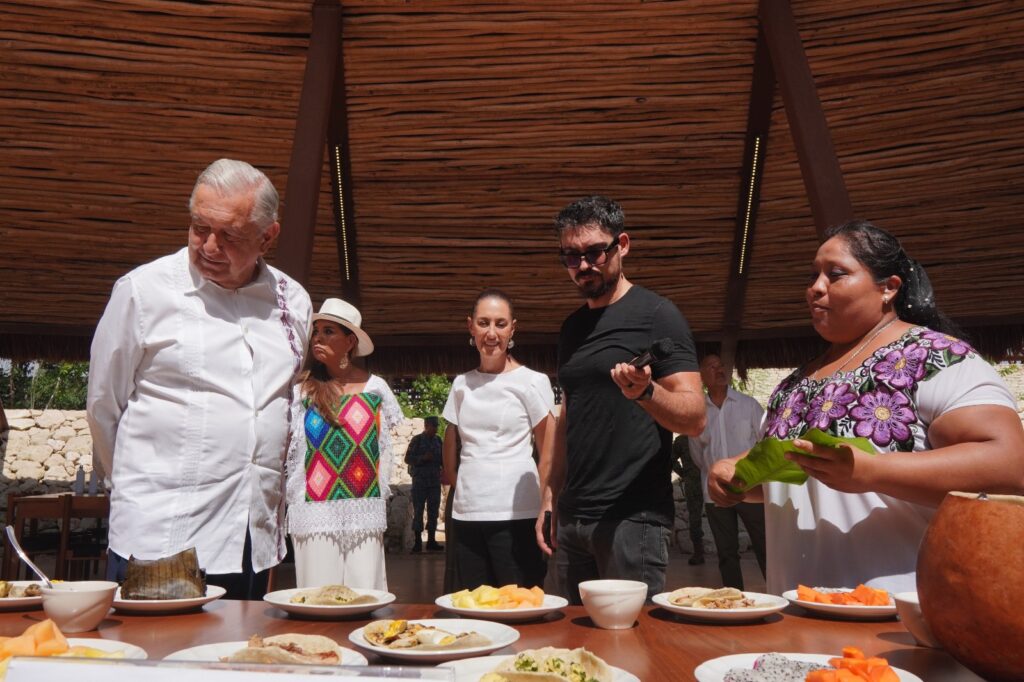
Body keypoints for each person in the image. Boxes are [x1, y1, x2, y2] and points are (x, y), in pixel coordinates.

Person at [708, 219, 1024, 594]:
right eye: (813, 276)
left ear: (888, 288)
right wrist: (737, 474)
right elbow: (800, 474)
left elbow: (1009, 465)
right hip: (797, 621)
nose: (815, 288)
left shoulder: (932, 357)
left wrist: (871, 471)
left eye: (835, 274)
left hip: (898, 620)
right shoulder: (794, 384)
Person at [87, 158, 312, 599]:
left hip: (253, 538)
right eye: (198, 227)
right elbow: (103, 407)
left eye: (229, 235)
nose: (209, 245)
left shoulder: (293, 302)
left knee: (238, 662)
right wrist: (146, 487)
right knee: (158, 664)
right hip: (163, 537)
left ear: (268, 236)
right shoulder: (143, 291)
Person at [538, 196, 706, 603]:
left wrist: (646, 392)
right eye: (571, 256)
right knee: (574, 647)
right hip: (574, 518)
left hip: (633, 519)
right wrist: (550, 494)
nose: (583, 266)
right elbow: (568, 416)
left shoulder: (658, 315)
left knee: (631, 647)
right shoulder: (572, 328)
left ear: (622, 245)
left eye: (595, 252)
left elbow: (695, 416)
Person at [285, 298, 402, 590]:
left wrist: (379, 494)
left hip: (364, 509)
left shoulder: (376, 389)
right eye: (316, 331)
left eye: (328, 331)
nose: (318, 338)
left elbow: (384, 450)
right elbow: (291, 450)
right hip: (314, 510)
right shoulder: (302, 390)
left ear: (350, 341)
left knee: (365, 594)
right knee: (317, 596)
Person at [442, 289, 555, 590]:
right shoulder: (461, 384)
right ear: (470, 327)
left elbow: (549, 452)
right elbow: (450, 444)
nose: (491, 333)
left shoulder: (533, 381)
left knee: (518, 605)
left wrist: (547, 504)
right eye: (484, 323)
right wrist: (463, 488)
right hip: (468, 514)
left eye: (500, 324)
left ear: (512, 328)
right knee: (473, 606)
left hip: (518, 513)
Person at [689, 353, 766, 589]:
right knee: (726, 552)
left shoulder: (748, 404)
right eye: (711, 366)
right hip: (715, 492)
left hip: (751, 488)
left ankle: (777, 593)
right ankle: (735, 600)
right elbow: (698, 455)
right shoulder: (698, 412)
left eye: (721, 365)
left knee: (765, 545)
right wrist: (716, 475)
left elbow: (764, 443)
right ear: (701, 376)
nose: (719, 369)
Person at [405, 416, 444, 553]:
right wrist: (422, 458)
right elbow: (407, 459)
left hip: (434, 482)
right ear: (426, 425)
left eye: (436, 426)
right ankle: (417, 543)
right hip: (420, 482)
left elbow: (443, 459)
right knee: (419, 511)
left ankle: (431, 541)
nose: (435, 428)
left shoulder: (439, 440)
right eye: (433, 425)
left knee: (433, 511)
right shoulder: (417, 440)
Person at [671, 434, 705, 566]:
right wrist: (684, 473)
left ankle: (699, 553)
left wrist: (684, 473)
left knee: (697, 518)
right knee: (696, 518)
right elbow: (671, 459)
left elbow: (671, 460)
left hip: (700, 480)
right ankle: (698, 552)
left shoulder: (703, 436)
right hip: (698, 481)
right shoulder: (684, 440)